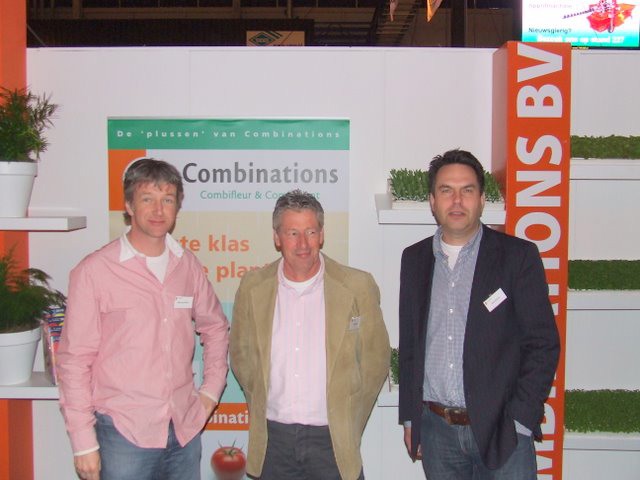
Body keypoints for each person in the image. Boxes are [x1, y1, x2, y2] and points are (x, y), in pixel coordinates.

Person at [57, 158, 229, 480]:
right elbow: (73, 360)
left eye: (167, 199)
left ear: (177, 206)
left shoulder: (186, 265)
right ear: (129, 205)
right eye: (147, 198)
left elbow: (216, 327)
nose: (158, 210)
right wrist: (83, 443)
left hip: (184, 431)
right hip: (122, 434)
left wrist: (210, 392)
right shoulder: (94, 271)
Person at [398, 149, 560, 479]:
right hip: (436, 432)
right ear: (432, 201)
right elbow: (411, 345)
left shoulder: (517, 257)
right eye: (446, 190)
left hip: (503, 432)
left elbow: (543, 344)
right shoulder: (414, 260)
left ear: (482, 199)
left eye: (467, 190)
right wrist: (411, 418)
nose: (457, 200)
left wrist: (520, 420)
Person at [230, 189, 390, 480]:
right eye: (292, 233)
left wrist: (348, 421)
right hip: (273, 442)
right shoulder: (253, 287)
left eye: (311, 232)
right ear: (277, 237)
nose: (303, 243)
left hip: (333, 443)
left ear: (322, 234)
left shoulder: (358, 287)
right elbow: (241, 358)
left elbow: (375, 363)